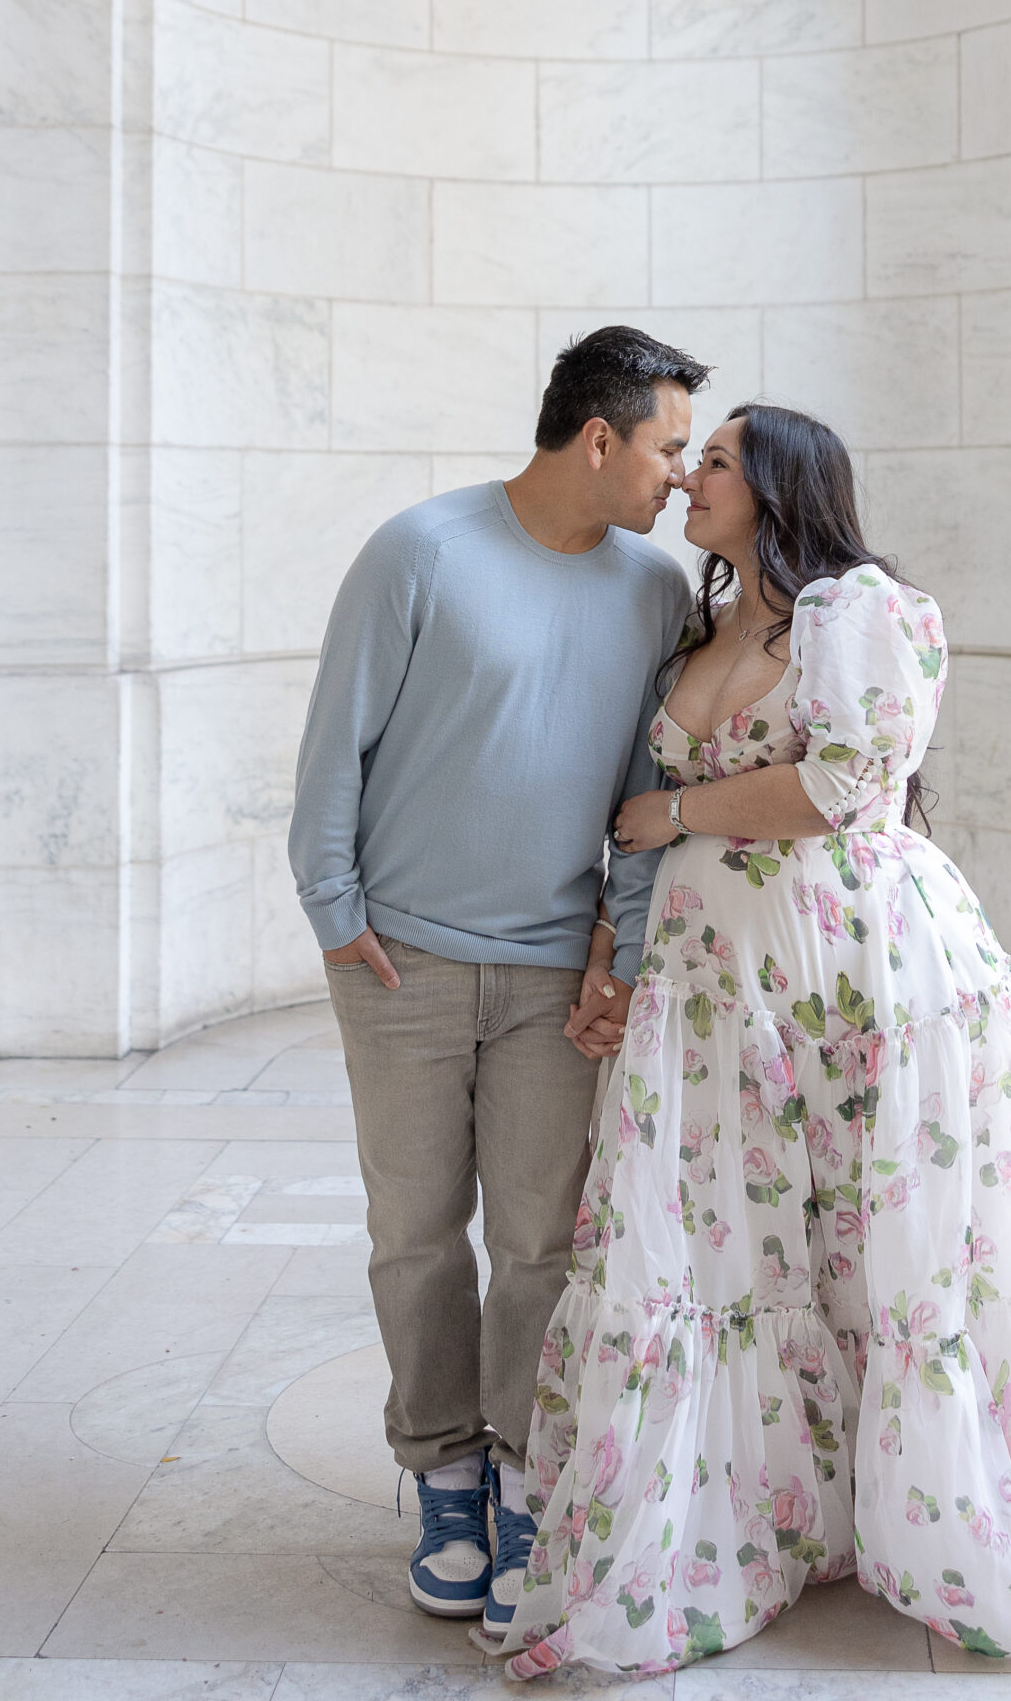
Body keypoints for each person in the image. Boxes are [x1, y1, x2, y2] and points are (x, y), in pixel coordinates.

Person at [484, 403, 1011, 1678]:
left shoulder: (861, 611)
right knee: (725, 1242)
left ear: (779, 487)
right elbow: (635, 828)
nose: (692, 477)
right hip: (712, 982)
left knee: (885, 1246)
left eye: (717, 460)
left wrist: (677, 813)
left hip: (863, 971)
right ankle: (756, 1518)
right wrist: (615, 948)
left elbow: (842, 787)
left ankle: (936, 1517)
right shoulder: (695, 630)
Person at [287, 325, 709, 1636]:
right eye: (669, 448)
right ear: (599, 436)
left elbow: (644, 798)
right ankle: (442, 1474)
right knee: (415, 1234)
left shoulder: (654, 593)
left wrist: (618, 954)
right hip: (398, 962)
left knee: (539, 1242)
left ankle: (523, 1477)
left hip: (551, 977)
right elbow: (335, 742)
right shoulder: (419, 551)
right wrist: (334, 913)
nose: (680, 477)